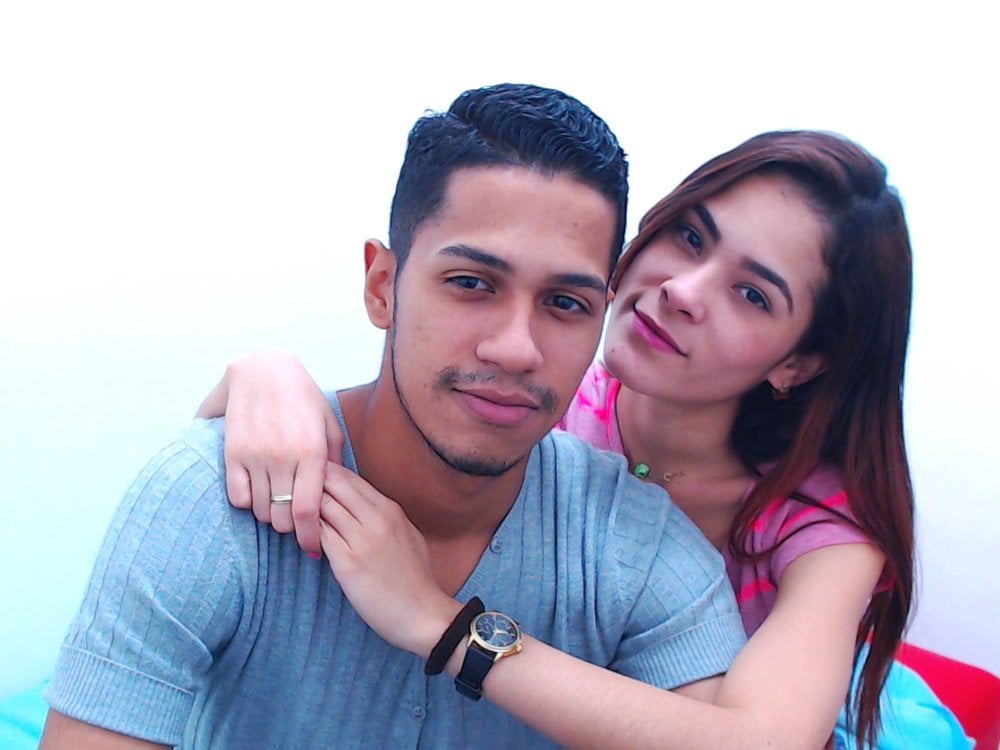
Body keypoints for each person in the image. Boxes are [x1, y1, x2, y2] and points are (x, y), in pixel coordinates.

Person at [39, 83, 747, 750]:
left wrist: (447, 629)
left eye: (565, 303)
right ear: (382, 287)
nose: (515, 348)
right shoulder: (212, 504)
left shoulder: (636, 545)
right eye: (471, 283)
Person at [199, 129, 949, 748]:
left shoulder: (820, 522)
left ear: (798, 362)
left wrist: (439, 622)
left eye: (751, 294)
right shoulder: (535, 397)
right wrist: (260, 376)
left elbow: (764, 741)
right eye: (690, 237)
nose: (683, 291)